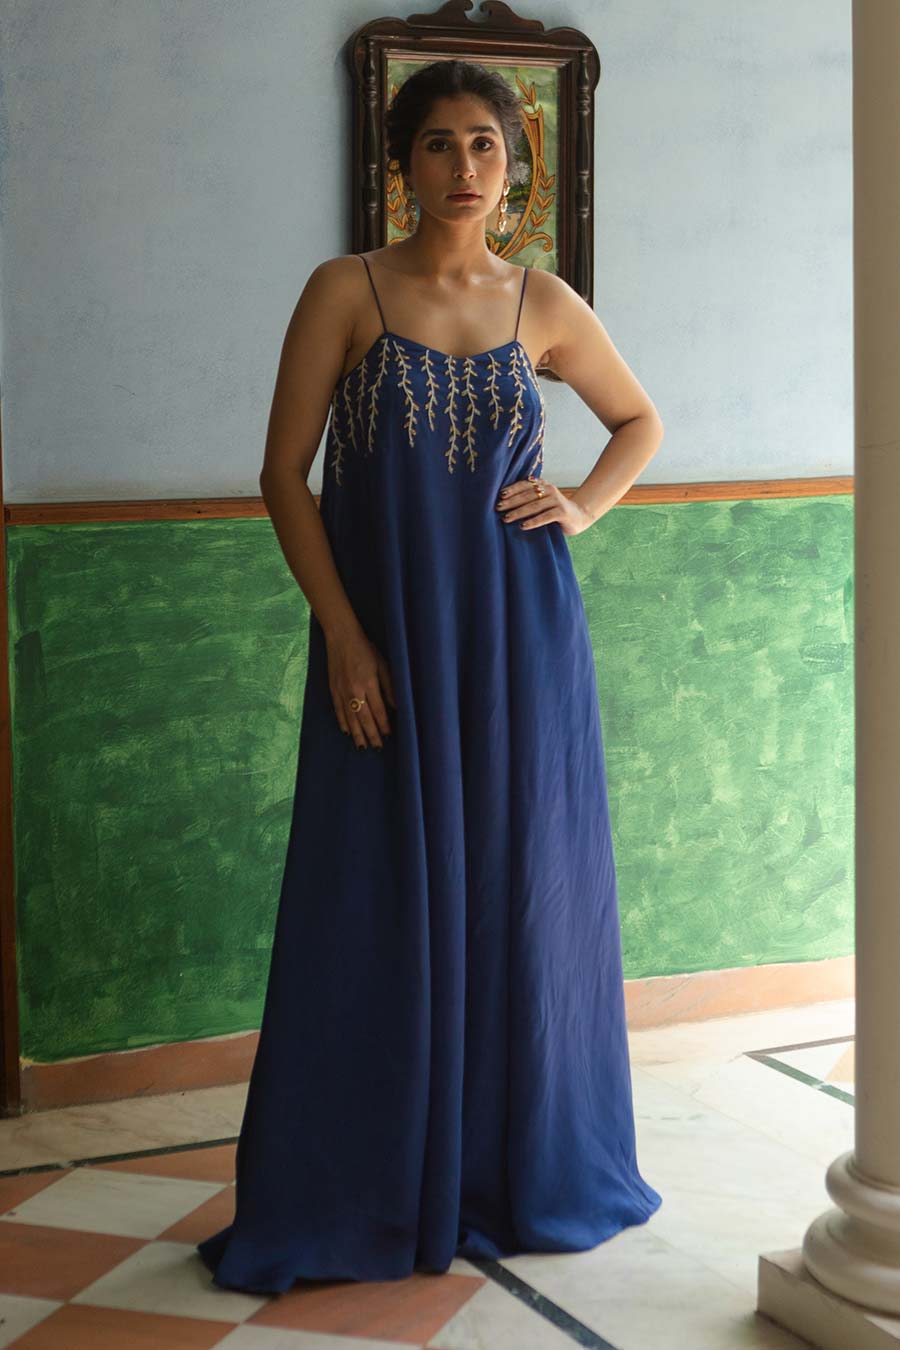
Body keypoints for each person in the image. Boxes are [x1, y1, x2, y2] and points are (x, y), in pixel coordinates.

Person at [197, 58, 664, 1295]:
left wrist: (583, 504)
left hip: (521, 638)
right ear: (401, 164)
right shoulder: (345, 288)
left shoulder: (543, 301)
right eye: (441, 143)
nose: (466, 166)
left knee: (521, 893)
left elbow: (640, 422)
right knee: (373, 895)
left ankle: (516, 1167)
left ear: (517, 166)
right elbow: (282, 475)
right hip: (388, 640)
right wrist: (345, 637)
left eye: (486, 145)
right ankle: (363, 1179)